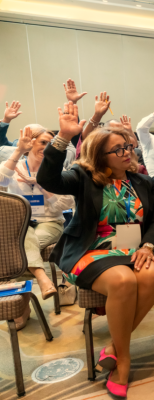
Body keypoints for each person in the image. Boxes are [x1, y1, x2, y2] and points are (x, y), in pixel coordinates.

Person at [38, 101, 154, 397]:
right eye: (118, 149)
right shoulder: (84, 177)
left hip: (134, 246)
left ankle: (113, 349)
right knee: (123, 280)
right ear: (100, 155)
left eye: (128, 146)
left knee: (152, 274)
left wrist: (148, 245)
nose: (127, 152)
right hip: (92, 249)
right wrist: (63, 137)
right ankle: (124, 361)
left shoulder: (143, 182)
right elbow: (48, 179)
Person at [0, 125, 74, 329]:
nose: (47, 147)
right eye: (42, 142)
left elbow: (66, 205)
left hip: (49, 224)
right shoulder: (15, 165)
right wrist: (18, 151)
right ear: (30, 143)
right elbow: (1, 179)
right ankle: (42, 278)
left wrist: (41, 183)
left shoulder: (57, 170)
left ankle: (21, 308)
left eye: (51, 143)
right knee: (23, 240)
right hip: (20, 225)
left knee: (18, 250)